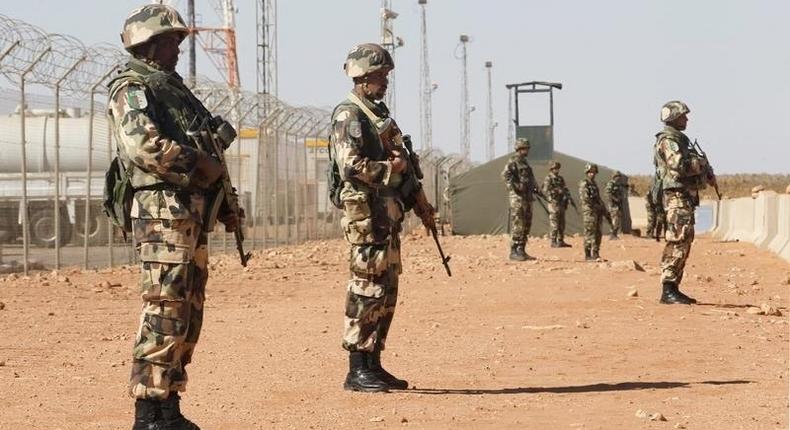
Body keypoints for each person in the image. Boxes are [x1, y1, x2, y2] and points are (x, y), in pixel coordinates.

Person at [109, 4, 241, 428]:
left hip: (189, 213)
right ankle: (148, 410)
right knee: (165, 307)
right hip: (163, 214)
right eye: (170, 41)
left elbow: (213, 154)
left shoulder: (174, 90)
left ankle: (169, 404)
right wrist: (200, 165)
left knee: (188, 309)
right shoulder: (132, 88)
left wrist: (226, 203)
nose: (178, 48)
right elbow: (144, 148)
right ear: (146, 44)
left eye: (178, 41)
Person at [330, 43, 435, 392]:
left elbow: (405, 171)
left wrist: (419, 201)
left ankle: (373, 362)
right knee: (366, 288)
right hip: (366, 219)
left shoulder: (378, 116)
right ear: (360, 77)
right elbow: (351, 166)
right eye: (378, 75)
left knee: (386, 291)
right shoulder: (350, 115)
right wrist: (392, 168)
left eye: (385, 75)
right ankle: (356, 367)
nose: (384, 81)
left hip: (385, 217)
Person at [653, 100, 715, 304]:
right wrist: (701, 163)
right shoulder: (669, 140)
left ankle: (673, 287)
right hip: (676, 196)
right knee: (678, 238)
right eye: (683, 116)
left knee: (684, 238)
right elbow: (678, 165)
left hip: (683, 196)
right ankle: (668, 288)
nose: (686, 119)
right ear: (673, 117)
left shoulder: (680, 140)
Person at [502, 138, 538, 261]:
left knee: (527, 224)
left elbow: (531, 178)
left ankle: (521, 250)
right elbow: (506, 176)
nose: (527, 150)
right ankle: (514, 251)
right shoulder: (513, 162)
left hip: (527, 197)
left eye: (527, 148)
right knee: (518, 224)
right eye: (525, 148)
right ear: (519, 149)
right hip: (517, 198)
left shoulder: (525, 163)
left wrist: (535, 187)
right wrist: (516, 186)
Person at [579, 163, 606, 261]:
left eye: (594, 172)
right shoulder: (584, 183)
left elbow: (598, 198)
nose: (592, 174)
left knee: (598, 233)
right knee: (589, 233)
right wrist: (596, 206)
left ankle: (596, 253)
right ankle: (588, 255)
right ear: (587, 173)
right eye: (590, 172)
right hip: (589, 212)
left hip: (597, 211)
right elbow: (585, 199)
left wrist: (603, 208)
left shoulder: (594, 184)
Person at [542, 160, 572, 248]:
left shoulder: (560, 178)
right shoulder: (548, 178)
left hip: (561, 203)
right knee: (554, 223)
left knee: (562, 223)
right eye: (555, 168)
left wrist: (567, 197)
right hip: (553, 203)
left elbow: (565, 189)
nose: (557, 170)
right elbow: (545, 190)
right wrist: (556, 191)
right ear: (551, 169)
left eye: (558, 168)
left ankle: (560, 240)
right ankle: (553, 241)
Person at [605, 171, 626, 239]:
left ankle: (615, 234)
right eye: (617, 176)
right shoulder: (611, 184)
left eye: (619, 176)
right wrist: (615, 199)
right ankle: (612, 234)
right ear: (614, 177)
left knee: (617, 220)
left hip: (618, 205)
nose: (618, 178)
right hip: (613, 205)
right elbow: (608, 194)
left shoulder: (618, 185)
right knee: (615, 219)